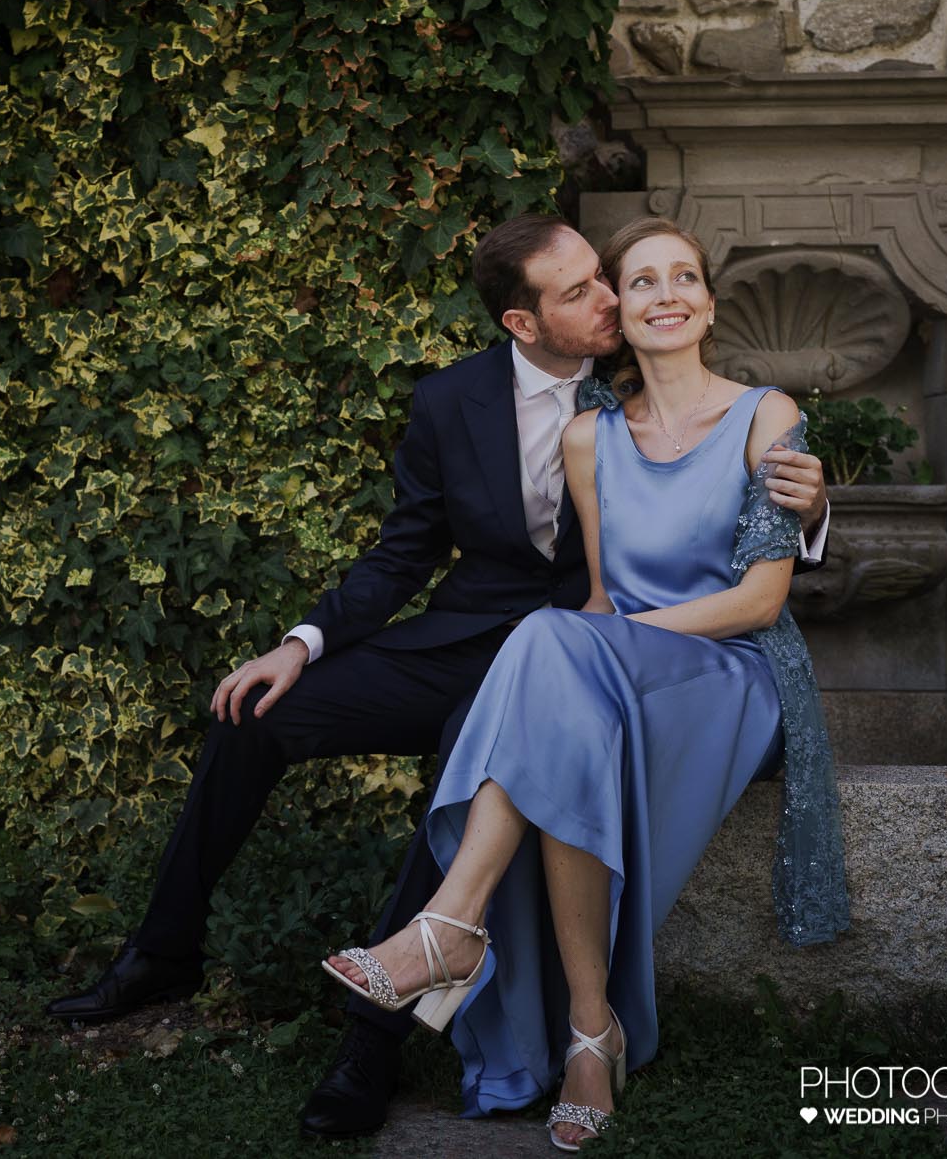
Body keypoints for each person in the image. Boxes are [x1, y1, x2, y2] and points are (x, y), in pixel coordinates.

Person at [43, 214, 831, 1140]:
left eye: (613, 277)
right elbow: (406, 550)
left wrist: (814, 508)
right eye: (590, 288)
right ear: (523, 322)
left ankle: (374, 1039)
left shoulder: (671, 384)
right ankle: (163, 949)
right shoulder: (466, 403)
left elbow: (741, 535)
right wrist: (302, 642)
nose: (615, 298)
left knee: (481, 740)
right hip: (485, 642)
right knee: (258, 713)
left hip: (596, 653)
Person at [322, 217, 852, 1150]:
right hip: (624, 666)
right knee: (563, 679)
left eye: (684, 276)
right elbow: (603, 597)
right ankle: (588, 1031)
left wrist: (597, 644)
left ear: (710, 304)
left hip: (735, 675)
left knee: (555, 642)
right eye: (640, 280)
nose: (665, 294)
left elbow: (761, 602)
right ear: (621, 312)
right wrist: (593, 646)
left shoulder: (766, 416)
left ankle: (451, 925)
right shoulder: (587, 438)